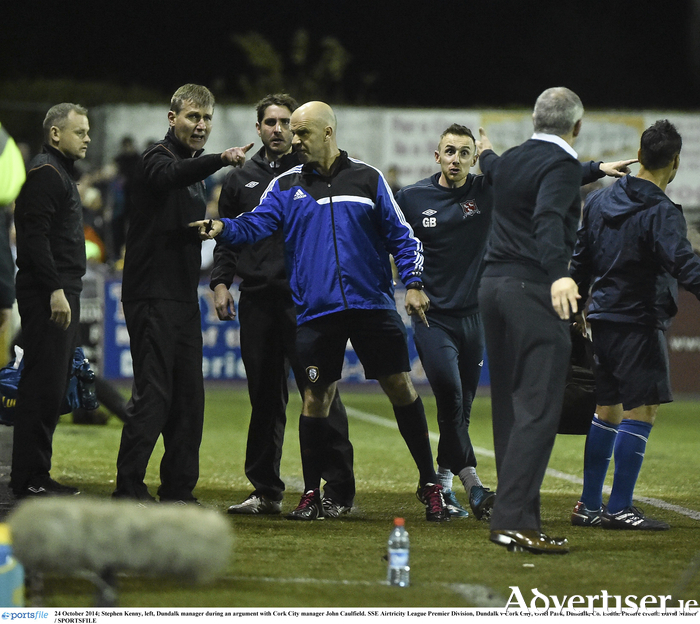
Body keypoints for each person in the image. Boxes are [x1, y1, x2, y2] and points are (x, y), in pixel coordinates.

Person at [191, 101, 449, 522]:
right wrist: (223, 228)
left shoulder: (368, 178)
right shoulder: (287, 185)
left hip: (371, 305)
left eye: (302, 133)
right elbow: (256, 223)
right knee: (316, 397)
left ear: (328, 132)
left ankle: (430, 484)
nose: (294, 141)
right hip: (316, 310)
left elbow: (403, 237)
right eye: (291, 132)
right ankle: (311, 492)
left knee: (401, 387)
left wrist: (414, 284)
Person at [476, 87, 636, 554]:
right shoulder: (560, 167)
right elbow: (548, 216)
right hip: (532, 290)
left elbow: (496, 169)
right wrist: (559, 277)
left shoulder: (512, 159)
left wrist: (593, 170)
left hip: (493, 289)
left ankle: (519, 518)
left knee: (511, 412)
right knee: (538, 411)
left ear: (534, 119)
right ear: (577, 127)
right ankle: (512, 522)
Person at [211, 93, 355, 517]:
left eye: (284, 123)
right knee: (264, 399)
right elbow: (228, 238)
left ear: (295, 129)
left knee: (322, 392)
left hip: (305, 301)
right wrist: (221, 283)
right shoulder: (239, 180)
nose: (277, 129)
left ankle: (339, 490)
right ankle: (265, 489)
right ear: (258, 129)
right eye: (269, 122)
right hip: (258, 300)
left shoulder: (312, 173)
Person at [113, 84, 253, 504]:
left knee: (190, 399)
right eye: (193, 117)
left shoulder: (191, 170)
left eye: (207, 119)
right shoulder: (157, 158)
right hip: (150, 294)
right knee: (154, 394)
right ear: (172, 118)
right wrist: (221, 159)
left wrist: (207, 230)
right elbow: (169, 177)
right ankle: (128, 488)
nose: (201, 125)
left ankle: (177, 490)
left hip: (180, 297)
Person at [569, 120, 700, 531]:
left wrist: (577, 304)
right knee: (641, 411)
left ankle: (590, 505)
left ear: (639, 156)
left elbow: (581, 257)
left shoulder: (600, 202)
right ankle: (620, 506)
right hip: (639, 320)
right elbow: (684, 264)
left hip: (602, 319)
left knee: (606, 409)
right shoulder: (661, 211)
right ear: (674, 162)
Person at [395, 124, 496, 520]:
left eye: (465, 153)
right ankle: (474, 486)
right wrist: (410, 284)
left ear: (474, 159)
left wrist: (594, 168)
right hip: (431, 317)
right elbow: (392, 241)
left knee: (462, 408)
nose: (455, 159)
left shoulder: (486, 192)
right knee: (451, 396)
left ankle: (442, 486)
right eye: (449, 151)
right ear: (437, 156)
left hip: (475, 318)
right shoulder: (412, 198)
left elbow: (538, 179)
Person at [11, 103, 90, 498]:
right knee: (43, 386)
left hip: (57, 288)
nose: (88, 138)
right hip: (50, 292)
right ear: (56, 134)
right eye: (80, 132)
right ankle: (30, 478)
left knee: (51, 384)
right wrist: (55, 289)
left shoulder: (56, 172)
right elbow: (33, 237)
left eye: (89, 131)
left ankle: (33, 475)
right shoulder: (46, 173)